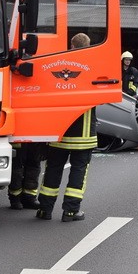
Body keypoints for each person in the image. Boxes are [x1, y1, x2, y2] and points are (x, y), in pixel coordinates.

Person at [36, 33, 96, 222]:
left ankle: (45, 210)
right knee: (79, 170)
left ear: (70, 44)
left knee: (53, 168)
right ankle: (70, 211)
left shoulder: (57, 62)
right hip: (83, 133)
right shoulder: (93, 65)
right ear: (88, 46)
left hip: (59, 131)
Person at [7, 142, 44, 210]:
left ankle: (29, 197)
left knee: (34, 167)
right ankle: (15, 197)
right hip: (18, 139)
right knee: (17, 168)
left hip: (35, 139)